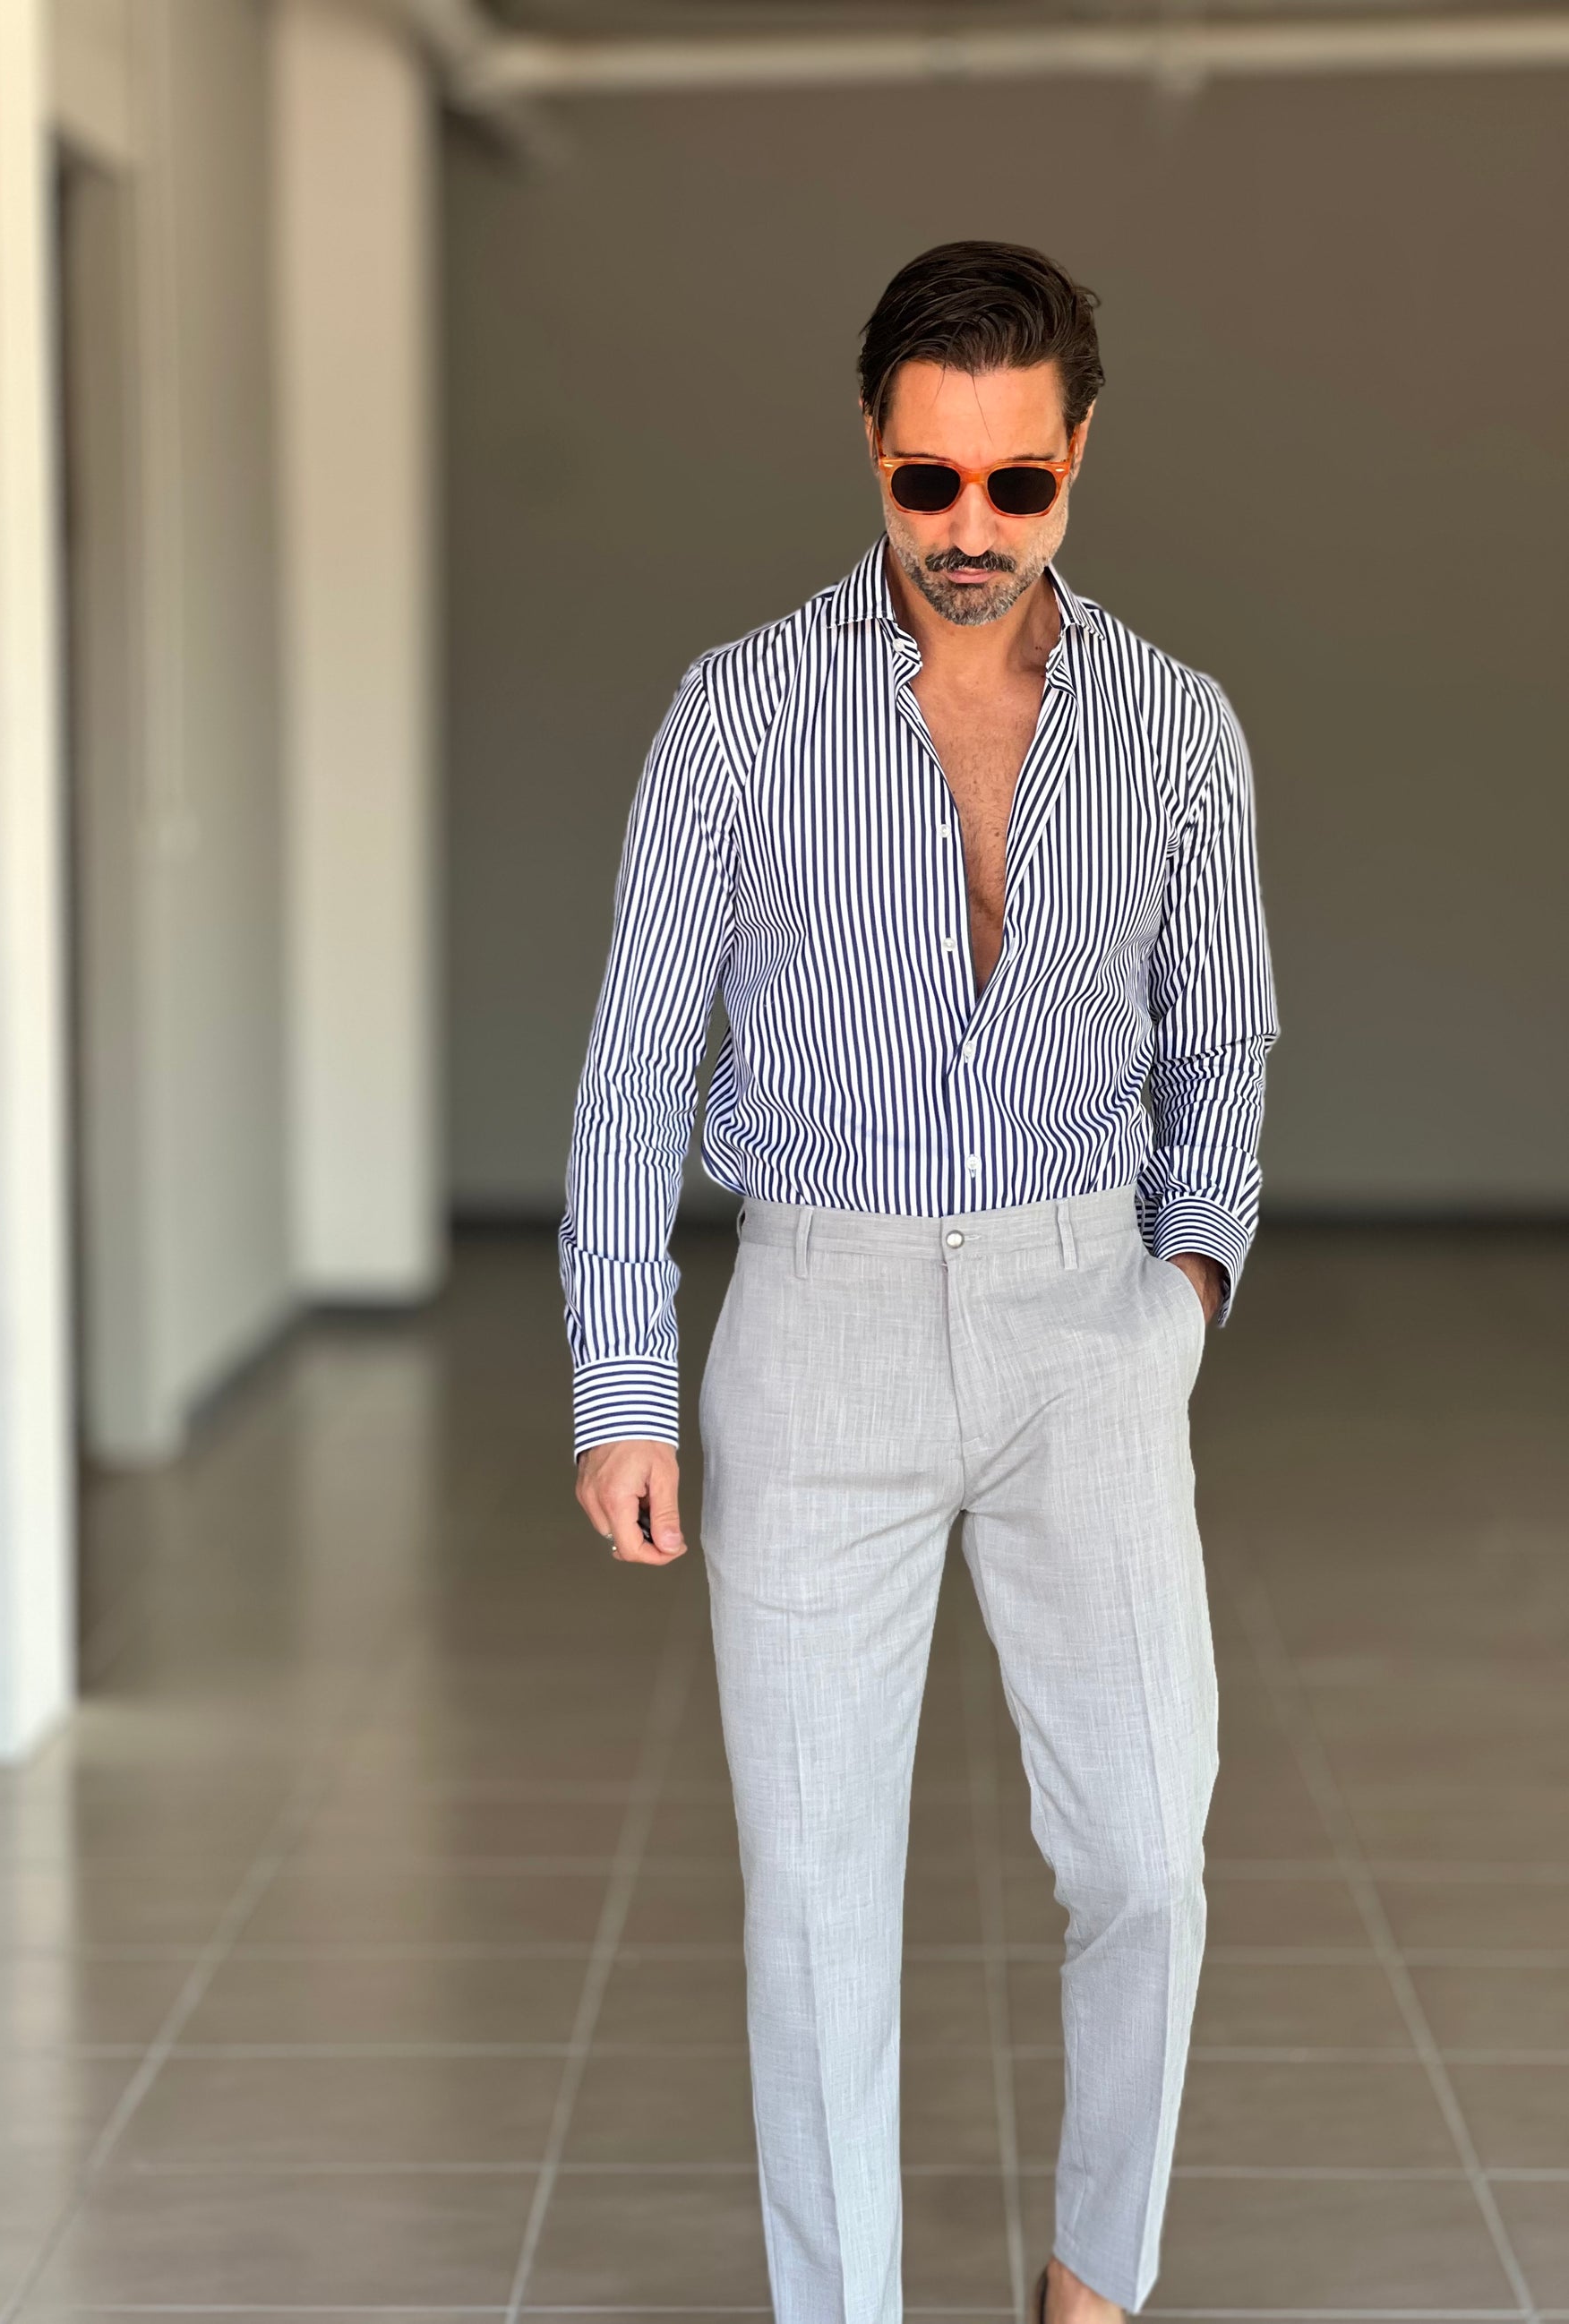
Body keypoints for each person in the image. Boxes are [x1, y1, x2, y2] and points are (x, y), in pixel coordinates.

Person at [558, 239, 1278, 2324]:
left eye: (1015, 483)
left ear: (1079, 454)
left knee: (1145, 1851)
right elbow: (633, 1066)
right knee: (814, 1903)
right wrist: (622, 1382)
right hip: (819, 1324)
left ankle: (1093, 2286)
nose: (969, 528)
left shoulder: (1176, 728)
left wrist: (1177, 1303)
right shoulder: (734, 715)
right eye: (926, 479)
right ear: (869, 446)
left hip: (1084, 1323)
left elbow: (1222, 1046)